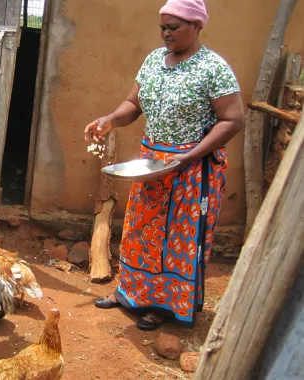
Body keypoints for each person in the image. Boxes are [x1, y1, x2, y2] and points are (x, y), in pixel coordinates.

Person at [84, 0, 244, 330]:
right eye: (163, 27)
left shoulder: (213, 68)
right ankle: (131, 293)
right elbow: (133, 103)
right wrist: (110, 120)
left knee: (176, 240)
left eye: (174, 27)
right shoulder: (155, 60)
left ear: (197, 26)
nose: (166, 33)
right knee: (141, 228)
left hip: (192, 169)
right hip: (152, 164)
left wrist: (188, 156)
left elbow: (233, 120)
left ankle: (165, 305)